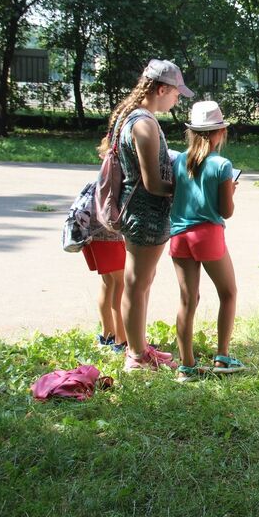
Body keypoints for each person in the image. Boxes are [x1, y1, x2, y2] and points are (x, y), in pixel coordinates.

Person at [98, 59, 192, 372]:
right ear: (161, 88)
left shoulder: (135, 117)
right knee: (137, 284)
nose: (177, 99)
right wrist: (189, 188)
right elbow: (153, 183)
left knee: (141, 282)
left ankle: (139, 347)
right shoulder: (144, 124)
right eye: (176, 92)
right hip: (145, 216)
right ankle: (135, 357)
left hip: (140, 214)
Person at [169, 101, 242, 382]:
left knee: (188, 300)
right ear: (220, 132)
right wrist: (230, 191)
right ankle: (222, 356)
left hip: (179, 236)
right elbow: (226, 211)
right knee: (228, 293)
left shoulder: (179, 160)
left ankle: (186, 365)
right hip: (207, 235)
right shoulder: (222, 165)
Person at [82, 223, 127, 352]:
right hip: (107, 231)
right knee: (120, 281)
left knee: (109, 281)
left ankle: (108, 335)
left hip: (93, 231)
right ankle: (122, 341)